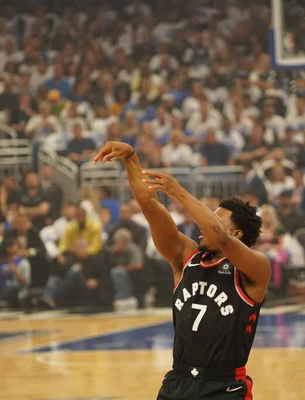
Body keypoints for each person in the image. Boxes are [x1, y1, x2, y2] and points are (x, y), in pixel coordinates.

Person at [94, 141, 269, 400]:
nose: (202, 224)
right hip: (179, 380)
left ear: (238, 233)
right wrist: (131, 157)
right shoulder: (186, 257)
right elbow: (150, 207)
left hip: (224, 386)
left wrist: (179, 192)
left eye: (212, 218)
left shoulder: (256, 268)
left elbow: (221, 237)